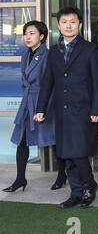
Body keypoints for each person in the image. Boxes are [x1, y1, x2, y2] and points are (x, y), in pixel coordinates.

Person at [35, 6, 98, 209]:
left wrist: (97, 110)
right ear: (59, 26)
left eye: (72, 22)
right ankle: (76, 193)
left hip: (84, 110)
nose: (68, 25)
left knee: (79, 152)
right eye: (64, 22)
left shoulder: (90, 49)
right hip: (62, 111)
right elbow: (48, 81)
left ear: (80, 25)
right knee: (66, 154)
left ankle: (90, 186)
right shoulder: (54, 51)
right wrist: (41, 108)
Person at [2, 21, 66, 193]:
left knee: (54, 140)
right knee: (22, 140)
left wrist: (44, 107)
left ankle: (62, 175)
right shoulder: (25, 54)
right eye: (26, 33)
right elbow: (25, 82)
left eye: (32, 33)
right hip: (28, 102)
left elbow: (52, 82)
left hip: (46, 101)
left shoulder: (48, 54)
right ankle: (20, 179)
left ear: (42, 36)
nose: (27, 37)